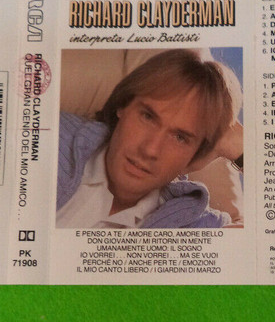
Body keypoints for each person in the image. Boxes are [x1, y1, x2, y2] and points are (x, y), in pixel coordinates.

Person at [56, 49, 243, 228]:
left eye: (180, 137)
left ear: (195, 155)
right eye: (148, 117)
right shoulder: (53, 139)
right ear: (123, 105)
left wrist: (238, 146)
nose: (150, 149)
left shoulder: (194, 224)